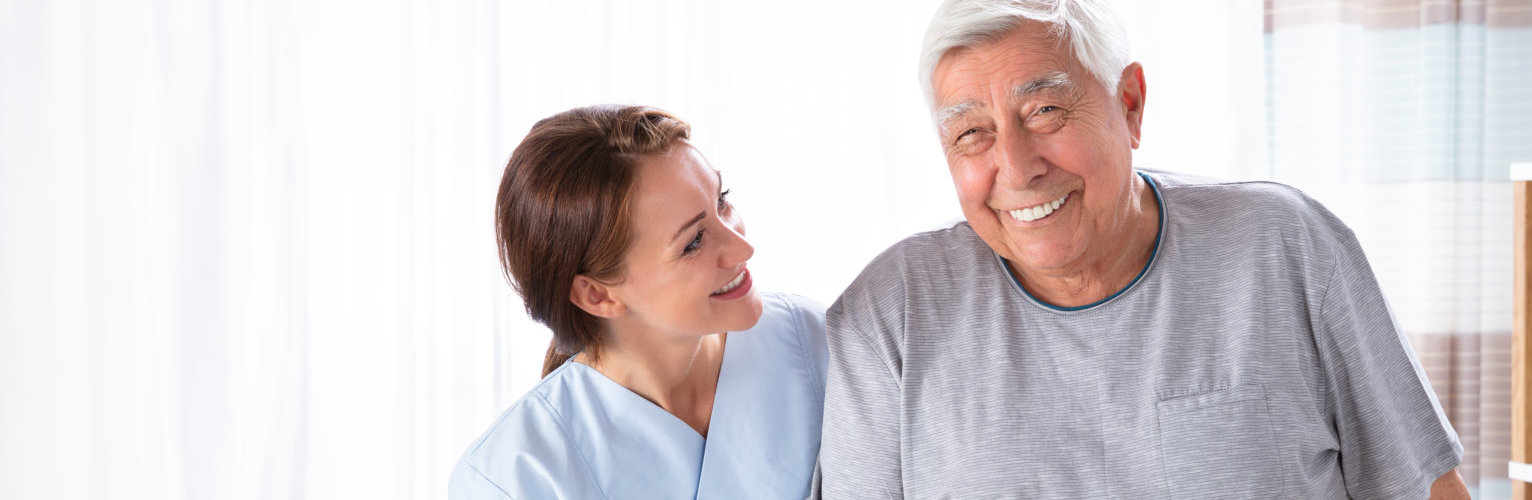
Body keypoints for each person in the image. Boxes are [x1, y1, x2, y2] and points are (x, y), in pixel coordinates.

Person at [816, 1, 1470, 498]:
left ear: (1129, 105)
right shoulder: (888, 316)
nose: (1015, 168)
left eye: (1044, 111)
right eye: (971, 134)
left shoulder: (1286, 247)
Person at [451, 105, 828, 499]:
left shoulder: (819, 347)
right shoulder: (517, 477)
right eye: (693, 242)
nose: (743, 247)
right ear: (597, 294)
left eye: (723, 201)